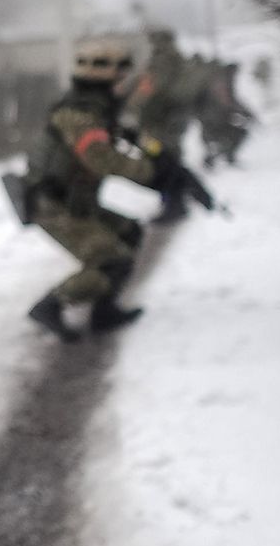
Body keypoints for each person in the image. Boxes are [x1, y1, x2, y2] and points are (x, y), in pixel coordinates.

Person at [18, 38, 179, 340]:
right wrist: (150, 172)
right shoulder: (80, 113)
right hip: (54, 205)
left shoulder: (96, 108)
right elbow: (101, 159)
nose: (124, 82)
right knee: (110, 260)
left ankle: (104, 312)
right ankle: (50, 305)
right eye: (121, 76)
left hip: (75, 201)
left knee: (129, 233)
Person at [123, 26, 202, 222]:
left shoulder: (163, 61)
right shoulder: (174, 59)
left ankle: (175, 205)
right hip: (170, 120)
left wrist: (137, 104)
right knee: (168, 159)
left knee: (164, 162)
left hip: (163, 122)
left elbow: (154, 90)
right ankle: (176, 201)